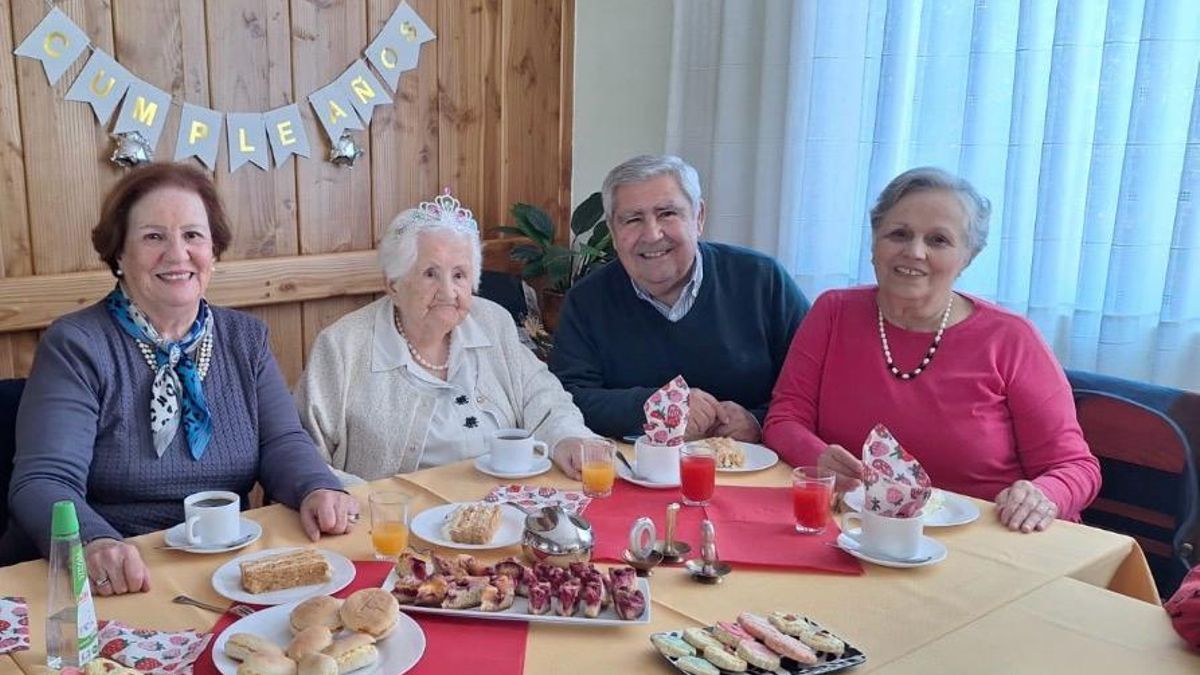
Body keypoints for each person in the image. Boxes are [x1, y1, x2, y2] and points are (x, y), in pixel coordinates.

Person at [1, 163, 356, 591]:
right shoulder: (77, 344)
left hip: (224, 566)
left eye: (192, 235)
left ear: (213, 250)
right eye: (153, 236)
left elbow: (281, 442)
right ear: (119, 254)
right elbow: (44, 481)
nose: (177, 254)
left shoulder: (245, 339)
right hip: (114, 575)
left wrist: (316, 487)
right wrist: (94, 543)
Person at [763, 167, 1101, 532]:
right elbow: (785, 417)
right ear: (874, 243)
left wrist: (1040, 494)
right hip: (858, 529)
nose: (914, 252)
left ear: (967, 257)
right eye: (899, 234)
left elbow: (1076, 468)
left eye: (938, 240)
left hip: (987, 539)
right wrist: (817, 458)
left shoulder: (1011, 338)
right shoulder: (833, 312)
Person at [295, 191, 596, 480]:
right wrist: (357, 503)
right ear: (393, 285)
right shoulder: (342, 346)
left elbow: (544, 396)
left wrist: (567, 436)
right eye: (430, 274)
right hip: (393, 521)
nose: (449, 292)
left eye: (459, 275)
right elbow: (300, 454)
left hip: (501, 509)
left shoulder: (492, 322)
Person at [550, 154, 809, 442]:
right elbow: (566, 398)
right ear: (612, 232)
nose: (651, 234)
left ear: (698, 217)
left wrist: (758, 421)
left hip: (752, 468)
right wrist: (657, 406)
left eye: (667, 214)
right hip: (633, 470)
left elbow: (813, 388)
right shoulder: (586, 300)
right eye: (633, 219)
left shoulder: (764, 280)